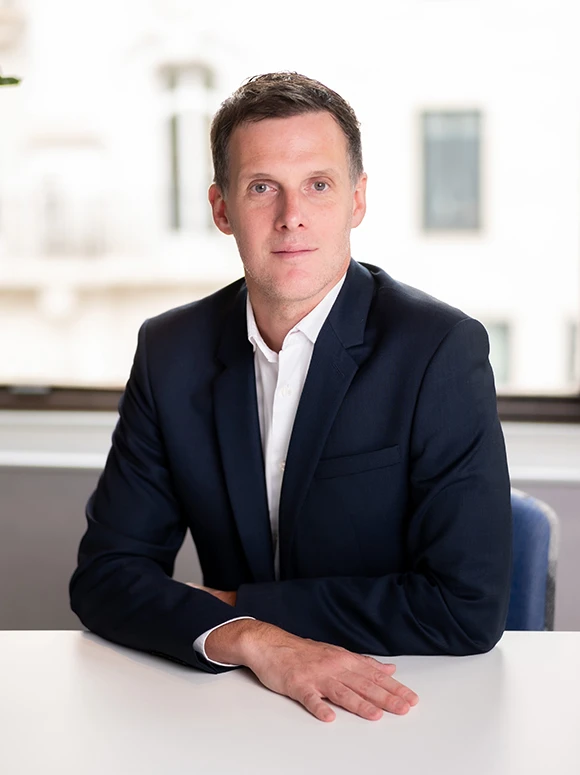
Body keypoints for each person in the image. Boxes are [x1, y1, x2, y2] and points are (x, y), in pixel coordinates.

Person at [70, 72, 512, 723]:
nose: (291, 215)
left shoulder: (437, 349)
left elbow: (466, 607)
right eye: (261, 188)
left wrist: (237, 601)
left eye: (319, 185)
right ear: (222, 209)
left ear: (357, 200)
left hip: (403, 701)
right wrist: (250, 635)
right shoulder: (172, 351)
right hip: (238, 694)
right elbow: (106, 577)